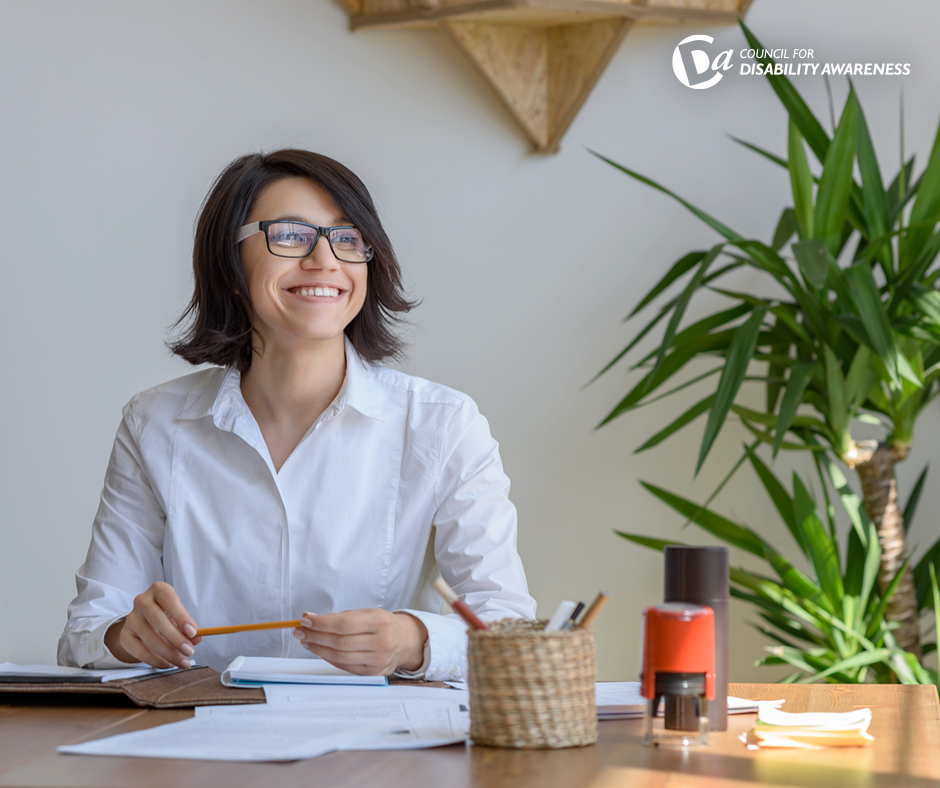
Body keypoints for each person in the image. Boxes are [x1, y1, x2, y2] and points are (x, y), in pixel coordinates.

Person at [57, 149, 536, 680]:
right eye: (289, 235)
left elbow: (508, 627)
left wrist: (414, 640)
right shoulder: (154, 423)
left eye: (347, 237)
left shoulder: (442, 425)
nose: (325, 260)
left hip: (374, 745)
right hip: (199, 739)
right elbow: (87, 631)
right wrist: (127, 635)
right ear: (231, 263)